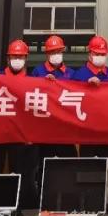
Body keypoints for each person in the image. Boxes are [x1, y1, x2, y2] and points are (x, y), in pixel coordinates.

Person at [71, 35, 108, 215]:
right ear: (90, 54)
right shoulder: (80, 74)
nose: (100, 57)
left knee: (102, 166)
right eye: (97, 53)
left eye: (102, 54)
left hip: (105, 131)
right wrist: (86, 86)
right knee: (87, 166)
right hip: (86, 132)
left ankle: (101, 201)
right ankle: (84, 202)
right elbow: (69, 94)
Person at [0, 38, 37, 216]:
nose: (17, 60)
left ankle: (16, 207)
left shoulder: (33, 81)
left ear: (26, 59)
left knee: (18, 171)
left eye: (20, 57)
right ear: (8, 58)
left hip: (19, 136)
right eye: (14, 57)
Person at [31, 34, 76, 163]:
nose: (56, 54)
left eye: (58, 51)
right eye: (52, 52)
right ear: (47, 54)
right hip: (44, 129)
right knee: (43, 164)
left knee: (68, 163)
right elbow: (30, 94)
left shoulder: (71, 73)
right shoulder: (38, 72)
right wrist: (43, 83)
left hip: (65, 129)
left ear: (62, 52)